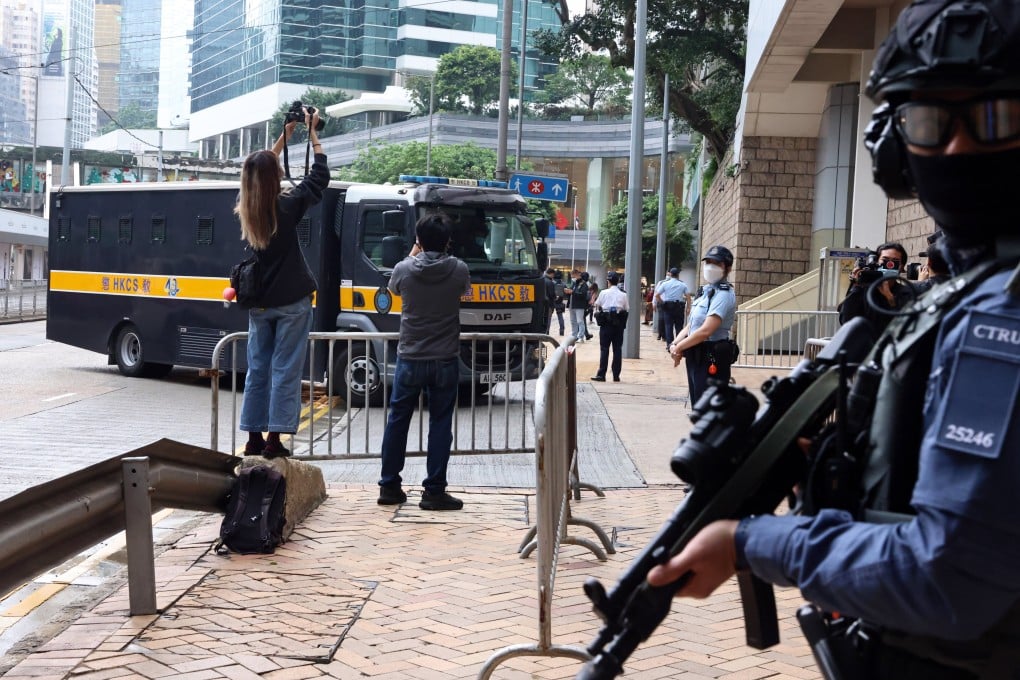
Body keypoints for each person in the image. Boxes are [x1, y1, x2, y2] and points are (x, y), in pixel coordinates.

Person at [649, 2, 1020, 676]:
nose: (960, 147)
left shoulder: (1003, 308)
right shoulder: (965, 286)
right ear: (895, 145)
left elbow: (950, 576)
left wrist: (752, 543)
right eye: (931, 123)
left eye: (999, 117)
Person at [236, 107, 329, 459]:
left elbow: (257, 171)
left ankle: (253, 438)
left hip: (259, 300)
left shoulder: (247, 207)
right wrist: (313, 134)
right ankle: (275, 440)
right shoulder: (286, 207)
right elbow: (318, 178)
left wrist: (285, 136)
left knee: (257, 369)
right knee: (285, 370)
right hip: (291, 301)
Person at [378, 212, 470, 511]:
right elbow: (464, 294)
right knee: (441, 423)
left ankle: (390, 486)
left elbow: (392, 289)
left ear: (418, 239)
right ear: (448, 242)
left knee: (397, 421)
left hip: (410, 357)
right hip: (445, 358)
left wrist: (414, 250)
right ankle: (434, 491)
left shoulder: (404, 268)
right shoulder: (458, 269)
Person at [668, 246, 737, 406]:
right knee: (698, 406)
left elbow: (706, 331)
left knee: (708, 410)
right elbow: (691, 325)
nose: (710, 267)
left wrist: (679, 348)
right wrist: (675, 344)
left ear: (727, 268)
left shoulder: (724, 295)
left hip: (710, 357)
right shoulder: (706, 291)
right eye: (708, 262)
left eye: (716, 264)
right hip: (695, 357)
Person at [837, 242, 914, 332]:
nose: (889, 264)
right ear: (876, 262)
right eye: (885, 260)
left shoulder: (907, 293)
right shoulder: (864, 289)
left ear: (901, 267)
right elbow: (845, 320)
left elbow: (904, 326)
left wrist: (890, 299)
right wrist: (857, 285)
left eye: (895, 261)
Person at [590, 271, 629, 383]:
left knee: (604, 349)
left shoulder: (604, 293)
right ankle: (616, 375)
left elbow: (597, 304)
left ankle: (601, 375)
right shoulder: (623, 294)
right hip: (618, 324)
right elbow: (626, 308)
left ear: (608, 281)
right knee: (617, 349)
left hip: (606, 324)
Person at [654, 267, 692, 347]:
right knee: (679, 326)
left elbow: (657, 295)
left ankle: (669, 345)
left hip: (668, 306)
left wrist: (662, 303)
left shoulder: (665, 284)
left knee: (668, 326)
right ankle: (678, 344)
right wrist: (688, 308)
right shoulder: (682, 284)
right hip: (679, 307)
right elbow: (688, 297)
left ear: (670, 274)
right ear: (678, 275)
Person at [566, 270, 590, 343]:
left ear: (578, 274)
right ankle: (574, 335)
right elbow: (572, 292)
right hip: (572, 305)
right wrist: (567, 291)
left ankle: (581, 336)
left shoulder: (584, 284)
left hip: (579, 305)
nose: (573, 277)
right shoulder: (574, 284)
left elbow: (582, 294)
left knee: (580, 321)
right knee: (573, 321)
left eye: (573, 275)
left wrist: (572, 292)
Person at [543, 267, 558, 335]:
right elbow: (552, 294)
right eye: (553, 275)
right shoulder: (550, 282)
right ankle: (546, 332)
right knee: (548, 319)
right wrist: (555, 297)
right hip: (548, 304)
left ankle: (541, 332)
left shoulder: (541, 280)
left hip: (541, 303)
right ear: (551, 274)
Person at [552, 270, 566, 336]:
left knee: (548, 318)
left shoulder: (552, 282)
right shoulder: (563, 284)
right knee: (560, 317)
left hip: (552, 302)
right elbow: (565, 293)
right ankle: (562, 330)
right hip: (560, 302)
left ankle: (547, 331)